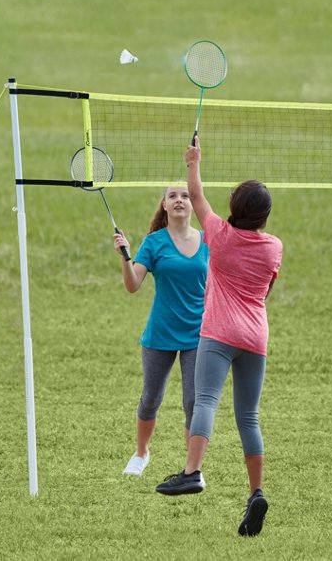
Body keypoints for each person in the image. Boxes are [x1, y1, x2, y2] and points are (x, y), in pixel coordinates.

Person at [154, 137, 283, 539]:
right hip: (255, 336)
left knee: (206, 399)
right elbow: (265, 292)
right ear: (263, 217)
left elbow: (196, 195)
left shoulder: (219, 235)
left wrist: (193, 160)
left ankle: (191, 472)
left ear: (234, 209)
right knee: (249, 416)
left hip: (219, 332)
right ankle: (256, 492)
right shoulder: (274, 247)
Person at [113, 186, 207, 477]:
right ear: (164, 206)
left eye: (185, 195)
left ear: (193, 205)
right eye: (173, 196)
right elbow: (132, 285)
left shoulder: (208, 241)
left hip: (197, 334)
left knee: (193, 402)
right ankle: (141, 454)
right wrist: (125, 256)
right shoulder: (154, 243)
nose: (179, 199)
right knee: (151, 397)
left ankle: (191, 469)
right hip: (161, 333)